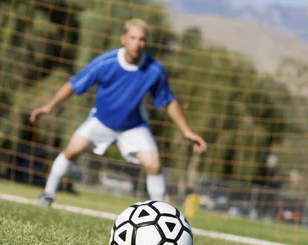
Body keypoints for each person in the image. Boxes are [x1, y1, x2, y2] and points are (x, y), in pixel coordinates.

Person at [30, 18, 207, 205]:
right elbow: (74, 84)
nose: (137, 44)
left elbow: (168, 101)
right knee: (72, 150)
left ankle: (162, 212)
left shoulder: (154, 70)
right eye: (133, 38)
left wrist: (187, 131)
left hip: (134, 126)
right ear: (123, 39)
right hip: (101, 120)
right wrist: (49, 106)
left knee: (154, 164)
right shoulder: (106, 62)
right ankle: (47, 195)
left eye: (142, 39)